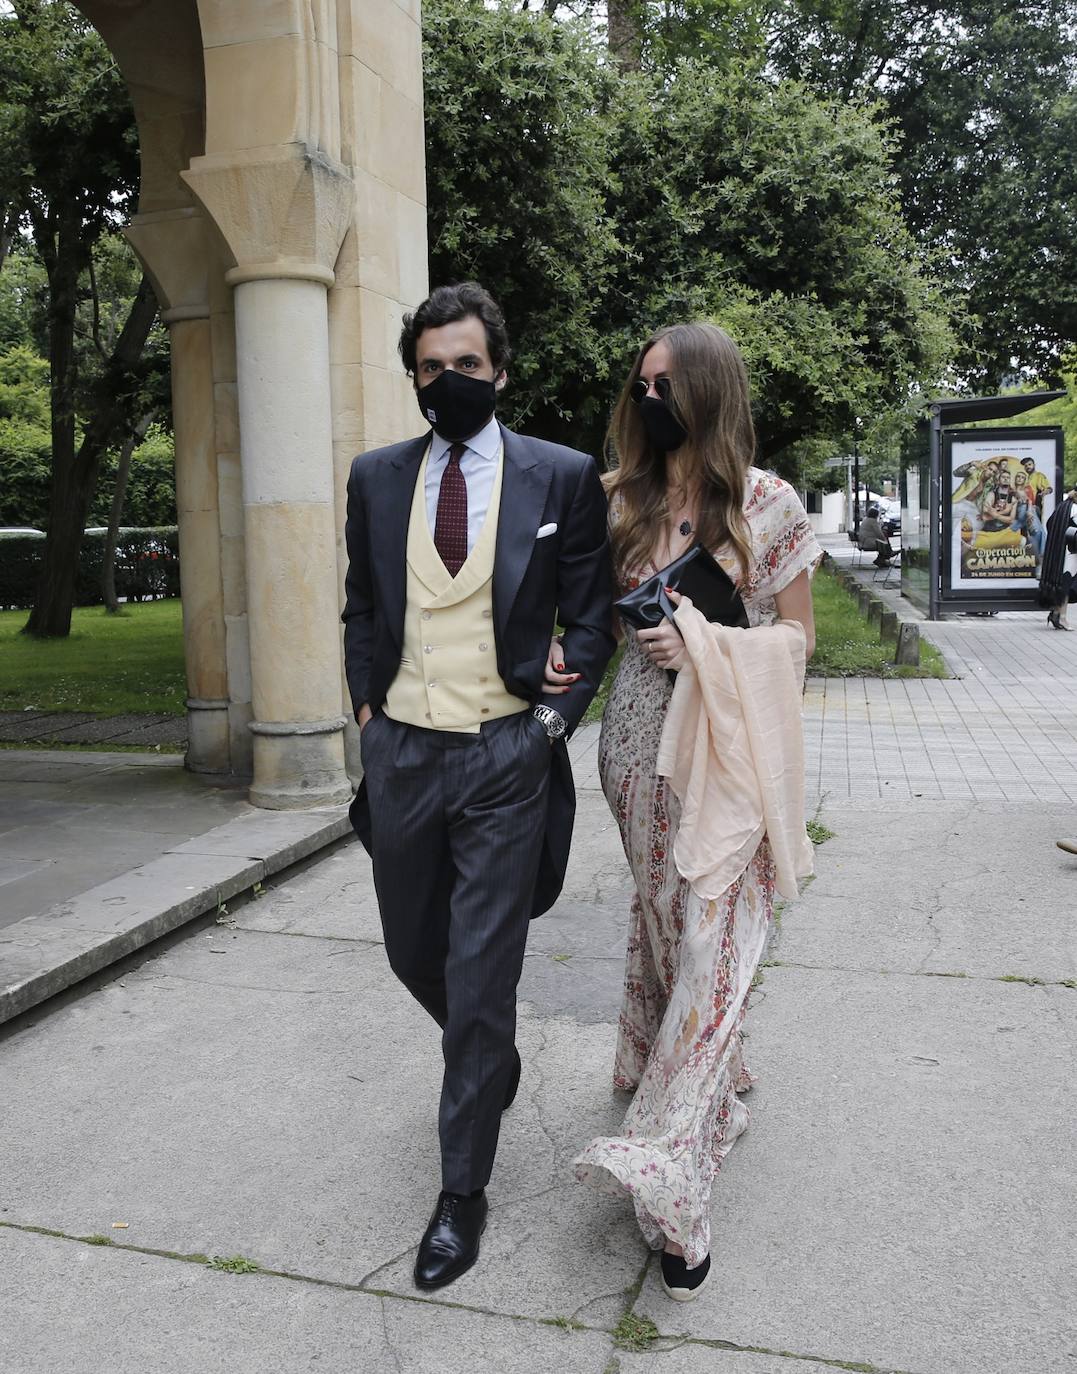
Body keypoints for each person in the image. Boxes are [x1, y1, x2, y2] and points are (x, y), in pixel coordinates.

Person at [341, 282, 615, 1291]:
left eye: (464, 365)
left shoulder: (561, 477)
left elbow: (590, 623)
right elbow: (362, 609)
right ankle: (485, 1061)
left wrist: (551, 721)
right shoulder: (375, 478)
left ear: (497, 369)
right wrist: (368, 716)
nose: (447, 382)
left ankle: (463, 1192)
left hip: (506, 756)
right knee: (414, 948)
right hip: (403, 751)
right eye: (429, 369)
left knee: (481, 969)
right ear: (412, 378)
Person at [547, 323, 820, 1301]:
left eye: (669, 383)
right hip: (633, 749)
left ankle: (672, 1181)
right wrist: (561, 653)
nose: (650, 396)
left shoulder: (768, 505)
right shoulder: (626, 497)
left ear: (708, 390)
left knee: (715, 943)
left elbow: (798, 642)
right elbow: (580, 612)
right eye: (641, 382)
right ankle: (713, 1073)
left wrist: (708, 642)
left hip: (727, 752)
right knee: (670, 929)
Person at [1039, 488, 1077, 629]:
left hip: (1061, 551)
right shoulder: (1075, 509)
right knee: (1066, 585)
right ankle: (1062, 618)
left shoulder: (1064, 506)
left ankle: (1055, 613)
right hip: (1070, 553)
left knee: (1063, 584)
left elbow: (1050, 524)